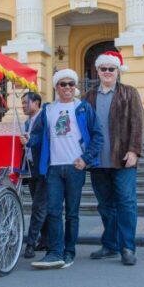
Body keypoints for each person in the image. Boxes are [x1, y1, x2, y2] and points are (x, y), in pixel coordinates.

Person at [29, 69, 103, 270]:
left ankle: (69, 251)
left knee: (71, 213)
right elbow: (37, 135)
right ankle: (55, 252)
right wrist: (28, 140)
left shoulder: (83, 108)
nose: (68, 87)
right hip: (53, 168)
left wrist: (86, 159)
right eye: (63, 84)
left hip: (74, 167)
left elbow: (98, 136)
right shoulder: (48, 110)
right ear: (56, 87)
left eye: (71, 83)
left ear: (75, 86)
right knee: (53, 212)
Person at [83, 50, 144, 266]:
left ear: (118, 71)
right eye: (103, 69)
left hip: (123, 159)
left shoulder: (129, 93)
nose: (107, 72)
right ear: (97, 71)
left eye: (111, 69)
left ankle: (127, 247)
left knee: (126, 203)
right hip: (98, 161)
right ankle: (110, 245)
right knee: (105, 205)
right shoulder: (88, 96)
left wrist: (134, 151)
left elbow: (137, 123)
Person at [20, 91, 48, 259]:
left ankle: (30, 244)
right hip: (31, 169)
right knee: (41, 207)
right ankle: (46, 240)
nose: (23, 106)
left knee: (38, 207)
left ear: (36, 102)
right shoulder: (26, 122)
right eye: (22, 103)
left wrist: (29, 140)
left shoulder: (44, 118)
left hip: (44, 168)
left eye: (26, 102)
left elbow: (39, 138)